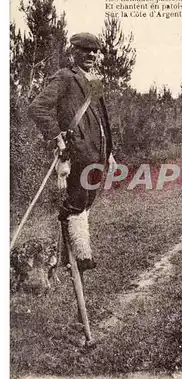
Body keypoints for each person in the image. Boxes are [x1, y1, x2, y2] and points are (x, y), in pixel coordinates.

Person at [28, 32, 116, 271]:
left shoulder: (95, 82)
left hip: (97, 153)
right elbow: (37, 108)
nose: (91, 55)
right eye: (85, 50)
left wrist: (109, 151)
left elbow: (103, 119)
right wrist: (58, 138)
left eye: (95, 51)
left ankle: (75, 255)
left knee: (87, 201)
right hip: (77, 152)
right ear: (73, 53)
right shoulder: (66, 77)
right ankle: (80, 256)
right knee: (77, 202)